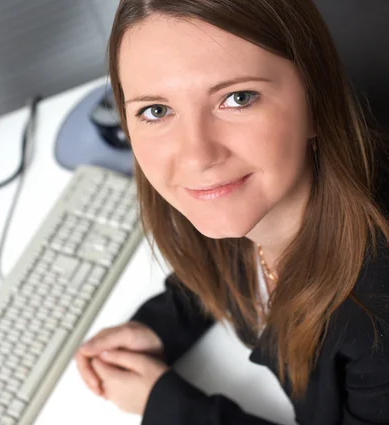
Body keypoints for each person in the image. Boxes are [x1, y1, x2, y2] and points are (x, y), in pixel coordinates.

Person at [73, 0, 389, 424]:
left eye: (238, 98)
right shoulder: (247, 207)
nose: (198, 156)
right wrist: (160, 325)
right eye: (156, 110)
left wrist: (166, 406)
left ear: (317, 101)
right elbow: (233, 267)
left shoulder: (378, 314)